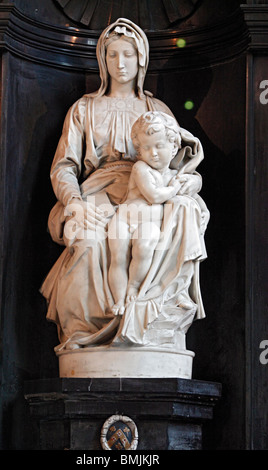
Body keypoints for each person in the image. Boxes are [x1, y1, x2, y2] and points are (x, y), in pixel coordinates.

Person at [40, 18, 206, 351]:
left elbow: (180, 159)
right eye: (113, 55)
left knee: (169, 226)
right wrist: (73, 203)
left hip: (146, 196)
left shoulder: (155, 109)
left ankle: (144, 321)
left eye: (128, 54)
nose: (120, 63)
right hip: (95, 194)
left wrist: (189, 181)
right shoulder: (84, 109)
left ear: (141, 58)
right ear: (103, 60)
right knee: (87, 243)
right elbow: (64, 167)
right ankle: (83, 334)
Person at [108, 111, 184, 315]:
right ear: (139, 151)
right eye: (146, 148)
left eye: (159, 146)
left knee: (144, 248)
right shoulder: (141, 168)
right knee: (119, 257)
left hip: (149, 224)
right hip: (124, 219)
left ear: (174, 147)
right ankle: (118, 300)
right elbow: (153, 196)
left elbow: (193, 183)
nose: (153, 153)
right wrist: (174, 189)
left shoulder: (174, 175)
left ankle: (133, 286)